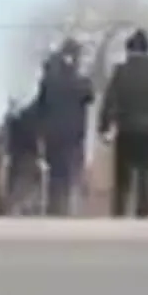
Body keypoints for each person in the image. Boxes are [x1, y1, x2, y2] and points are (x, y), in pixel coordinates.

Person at [97, 29, 148, 218]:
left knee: (123, 172)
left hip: (127, 128)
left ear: (128, 49)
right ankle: (144, 211)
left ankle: (119, 211)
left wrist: (104, 127)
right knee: (147, 170)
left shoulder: (120, 73)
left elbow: (110, 101)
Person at [35, 39, 94, 216]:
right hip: (74, 135)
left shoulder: (49, 81)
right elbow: (89, 96)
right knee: (72, 174)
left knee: (56, 176)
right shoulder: (79, 81)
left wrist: (41, 134)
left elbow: (40, 108)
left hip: (53, 135)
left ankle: (55, 210)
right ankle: (70, 211)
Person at [5, 98, 44, 215]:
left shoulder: (13, 118)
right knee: (25, 182)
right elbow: (34, 138)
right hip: (27, 153)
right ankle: (21, 206)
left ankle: (15, 207)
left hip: (17, 154)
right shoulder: (32, 117)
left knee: (18, 181)